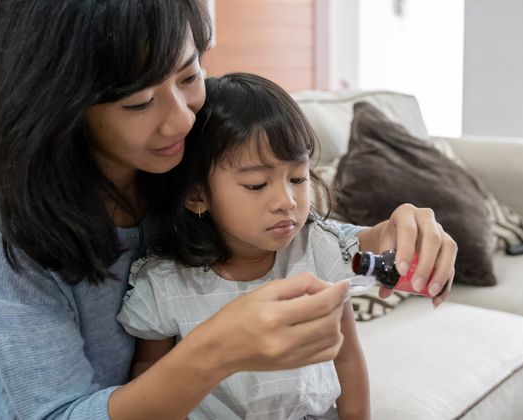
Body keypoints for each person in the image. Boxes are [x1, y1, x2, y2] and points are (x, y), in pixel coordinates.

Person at [0, 0, 457, 419]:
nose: (179, 121)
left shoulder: (184, 151)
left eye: (189, 76)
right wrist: (217, 349)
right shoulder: (9, 210)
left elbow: (287, 227)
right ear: (60, 107)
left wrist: (384, 237)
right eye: (138, 103)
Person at [118, 72, 370, 419]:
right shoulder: (165, 285)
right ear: (197, 195)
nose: (287, 200)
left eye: (298, 178)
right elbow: (150, 375)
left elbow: (346, 356)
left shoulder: (316, 253)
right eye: (256, 184)